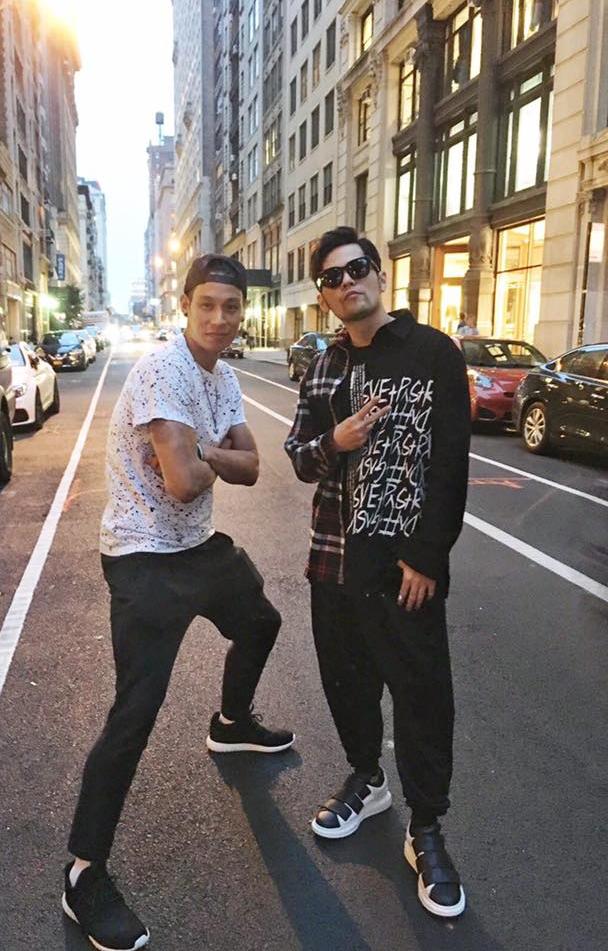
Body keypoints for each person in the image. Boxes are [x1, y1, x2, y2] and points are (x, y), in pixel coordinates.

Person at [63, 254, 295, 951]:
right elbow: (183, 481)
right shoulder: (165, 371)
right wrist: (212, 455)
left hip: (197, 548)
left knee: (261, 621)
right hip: (143, 558)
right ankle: (82, 874)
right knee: (135, 714)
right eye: (207, 306)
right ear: (185, 306)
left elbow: (250, 467)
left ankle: (231, 722)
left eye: (232, 306)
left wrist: (208, 452)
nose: (220, 319)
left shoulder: (223, 377)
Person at [284, 227, 471, 919]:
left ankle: (427, 828)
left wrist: (427, 555)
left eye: (356, 268)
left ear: (380, 273)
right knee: (347, 682)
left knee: (421, 693)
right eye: (332, 278)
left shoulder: (431, 353)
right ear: (324, 296)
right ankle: (367, 778)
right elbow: (299, 455)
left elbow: (449, 461)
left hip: (401, 566)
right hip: (332, 558)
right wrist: (334, 441)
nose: (347, 283)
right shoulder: (323, 366)